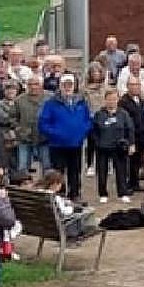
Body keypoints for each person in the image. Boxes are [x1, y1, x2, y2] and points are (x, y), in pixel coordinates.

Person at [37, 74, 91, 204]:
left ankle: (75, 195)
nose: (67, 87)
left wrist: (82, 132)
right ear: (60, 86)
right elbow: (43, 123)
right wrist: (56, 134)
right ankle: (59, 196)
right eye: (65, 85)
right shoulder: (51, 103)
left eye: (70, 85)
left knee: (75, 171)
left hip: (76, 144)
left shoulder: (81, 102)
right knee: (58, 172)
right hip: (57, 145)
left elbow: (88, 120)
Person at [91, 87, 133, 204]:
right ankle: (103, 193)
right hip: (103, 147)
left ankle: (123, 193)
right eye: (109, 99)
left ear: (117, 100)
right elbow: (94, 131)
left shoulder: (123, 114)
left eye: (114, 99)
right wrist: (97, 142)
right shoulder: (99, 114)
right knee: (102, 171)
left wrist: (131, 144)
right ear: (105, 100)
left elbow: (130, 129)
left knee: (121, 171)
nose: (111, 101)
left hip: (119, 147)